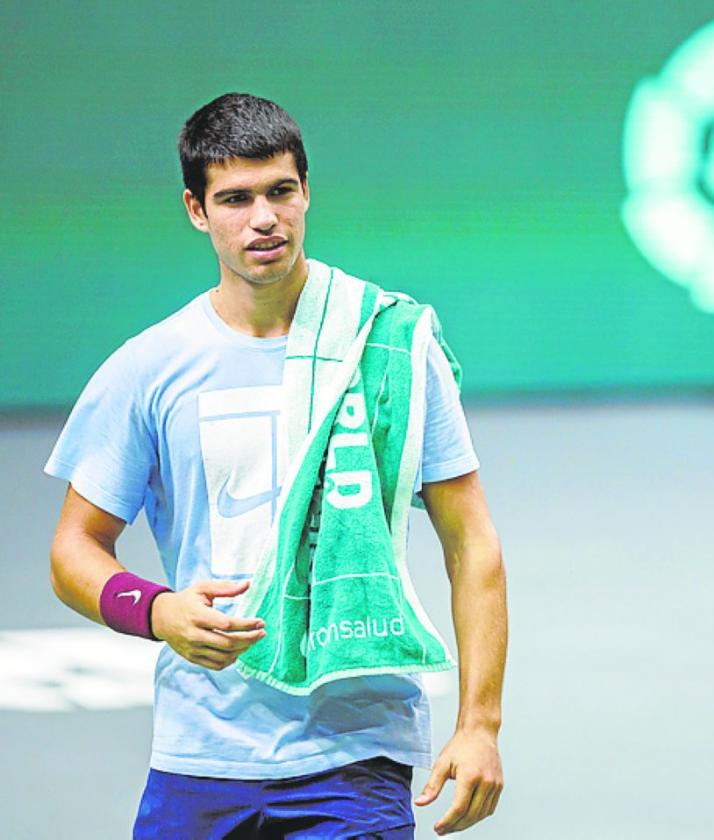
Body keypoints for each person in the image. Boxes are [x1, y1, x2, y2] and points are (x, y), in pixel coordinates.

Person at [46, 93, 507, 838]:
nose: (263, 218)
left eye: (279, 192)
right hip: (201, 754)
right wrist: (157, 610)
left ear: (306, 192)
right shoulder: (148, 367)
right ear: (197, 210)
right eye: (235, 199)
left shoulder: (389, 346)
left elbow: (473, 541)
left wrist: (480, 722)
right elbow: (73, 550)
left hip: (355, 753)